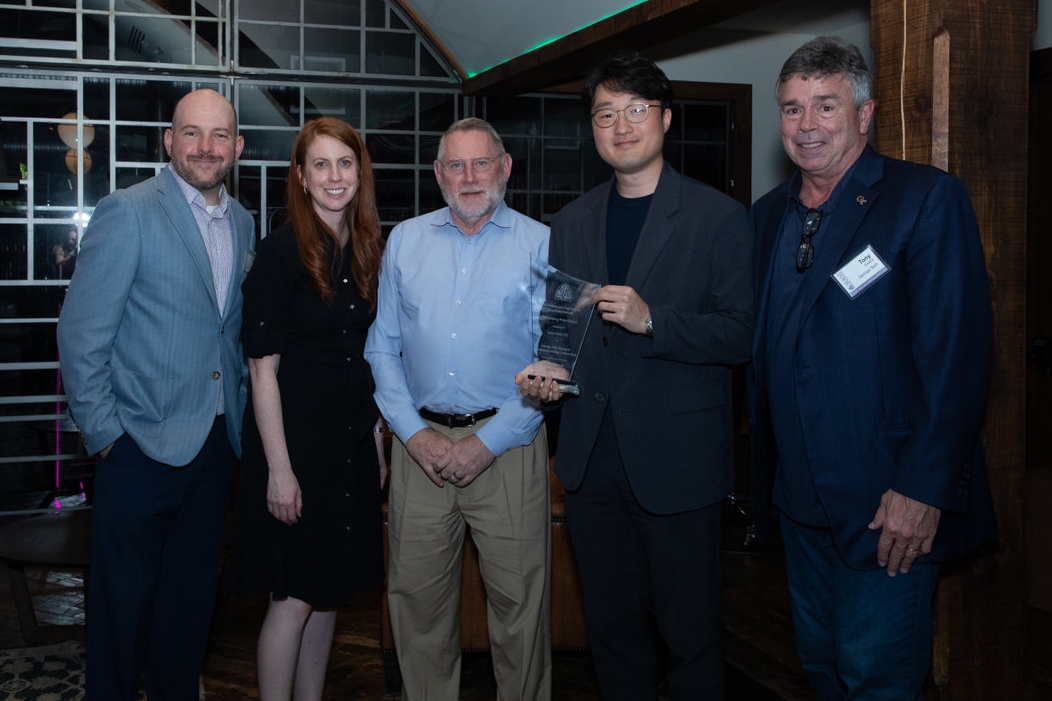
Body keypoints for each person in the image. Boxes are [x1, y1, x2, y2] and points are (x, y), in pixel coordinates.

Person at [748, 36, 998, 700]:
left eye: (826, 106)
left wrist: (923, 487)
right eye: (793, 108)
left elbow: (959, 359)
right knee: (824, 668)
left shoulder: (923, 199)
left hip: (888, 503)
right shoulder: (767, 216)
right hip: (798, 502)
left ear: (865, 113)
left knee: (878, 678)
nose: (806, 126)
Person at [515, 52, 754, 701]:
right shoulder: (572, 221)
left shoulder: (718, 218)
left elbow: (740, 333)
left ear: (666, 119)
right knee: (613, 632)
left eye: (636, 111)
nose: (621, 126)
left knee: (691, 635)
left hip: (679, 464)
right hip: (592, 462)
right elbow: (560, 327)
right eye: (605, 114)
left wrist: (656, 321)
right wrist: (548, 368)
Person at [55, 89, 255, 701]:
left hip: (215, 448)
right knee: (122, 612)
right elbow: (81, 333)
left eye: (218, 135)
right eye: (190, 133)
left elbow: (228, 330)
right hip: (138, 446)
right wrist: (107, 436)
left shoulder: (245, 222)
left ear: (237, 147)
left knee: (189, 606)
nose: (205, 147)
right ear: (169, 141)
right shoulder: (128, 210)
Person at [364, 117, 551, 701]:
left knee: (521, 612)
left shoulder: (541, 243)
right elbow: (382, 347)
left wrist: (485, 442)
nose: (470, 177)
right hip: (419, 451)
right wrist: (412, 436)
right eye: (455, 165)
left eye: (481, 163)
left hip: (509, 448)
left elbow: (555, 359)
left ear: (505, 167)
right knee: (416, 611)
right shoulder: (406, 240)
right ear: (437, 174)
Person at [228, 117, 387, 701]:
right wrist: (279, 470)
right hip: (294, 445)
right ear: (300, 175)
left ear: (359, 172)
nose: (334, 176)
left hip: (346, 442)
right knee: (293, 598)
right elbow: (261, 370)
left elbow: (365, 357)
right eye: (320, 164)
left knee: (330, 594)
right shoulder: (280, 253)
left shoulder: (367, 247)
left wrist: (373, 442)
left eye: (345, 163)